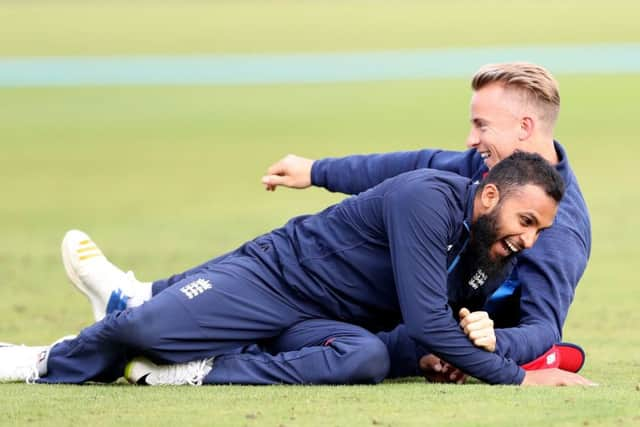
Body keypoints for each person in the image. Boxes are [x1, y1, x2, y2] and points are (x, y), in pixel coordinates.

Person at [0, 152, 590, 386]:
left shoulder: (490, 256)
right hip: (274, 279)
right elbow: (427, 318)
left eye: (539, 229)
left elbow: (425, 334)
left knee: (367, 359)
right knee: (143, 331)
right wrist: (517, 376)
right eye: (528, 220)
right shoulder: (428, 200)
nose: (530, 239)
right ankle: (40, 359)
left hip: (324, 323)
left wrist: (450, 352)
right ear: (489, 197)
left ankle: (200, 371)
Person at [260, 62, 591, 370]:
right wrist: (317, 171)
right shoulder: (493, 170)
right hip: (408, 306)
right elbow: (416, 166)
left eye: (482, 125)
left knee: (349, 350)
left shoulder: (560, 227)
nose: (471, 139)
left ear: (524, 127)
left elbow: (544, 328)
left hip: (429, 336)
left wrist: (489, 343)